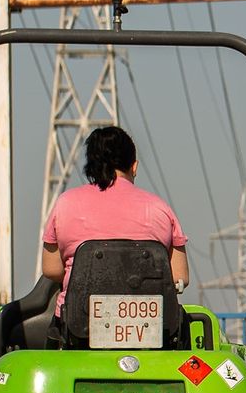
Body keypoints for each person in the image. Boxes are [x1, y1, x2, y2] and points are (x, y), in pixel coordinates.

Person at [40, 125, 189, 320]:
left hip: (79, 323)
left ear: (92, 164)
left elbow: (51, 269)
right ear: (134, 166)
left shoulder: (65, 204)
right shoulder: (160, 209)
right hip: (149, 324)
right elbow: (180, 276)